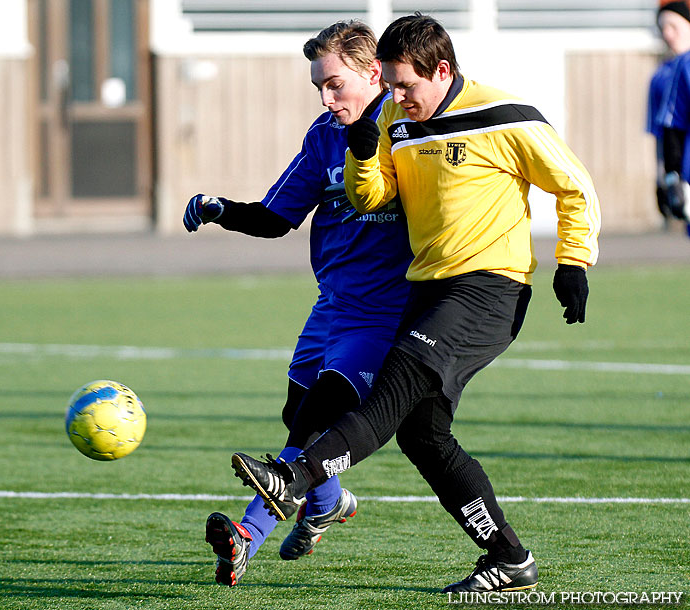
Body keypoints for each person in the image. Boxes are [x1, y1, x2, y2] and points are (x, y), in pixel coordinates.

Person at [231, 13, 601, 594]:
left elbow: (574, 185)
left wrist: (573, 261)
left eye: (405, 86)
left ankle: (294, 478)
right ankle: (508, 558)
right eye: (390, 85)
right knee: (422, 435)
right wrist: (360, 152)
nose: (396, 97)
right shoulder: (392, 120)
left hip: (489, 285)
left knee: (393, 388)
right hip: (428, 288)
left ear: (443, 70)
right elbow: (372, 193)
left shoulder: (503, 115)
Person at [182, 21, 413, 586]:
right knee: (296, 413)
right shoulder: (323, 136)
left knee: (311, 424)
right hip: (332, 304)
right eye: (319, 87)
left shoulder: (410, 131)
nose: (326, 98)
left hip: (384, 312)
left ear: (373, 72)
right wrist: (219, 207)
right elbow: (276, 217)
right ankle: (328, 503)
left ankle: (246, 535)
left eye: (334, 84)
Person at [647, 0, 690, 227]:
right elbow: (667, 130)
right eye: (663, 27)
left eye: (673, 26)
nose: (667, 34)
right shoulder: (666, 74)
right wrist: (666, 178)